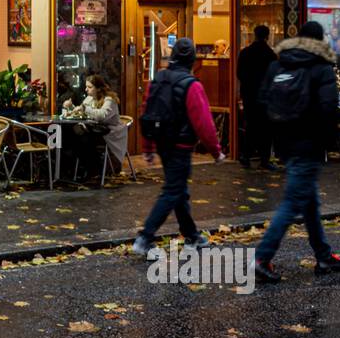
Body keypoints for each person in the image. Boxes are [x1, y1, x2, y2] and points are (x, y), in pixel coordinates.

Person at [254, 21, 340, 283]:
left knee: (309, 201)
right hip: (310, 144)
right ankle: (261, 257)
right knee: (294, 201)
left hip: (285, 143)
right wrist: (328, 144)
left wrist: (274, 137)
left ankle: (324, 255)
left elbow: (263, 102)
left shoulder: (278, 64)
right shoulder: (322, 67)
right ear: (320, 40)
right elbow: (329, 108)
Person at [133, 38, 225, 255]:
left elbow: (147, 112)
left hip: (163, 143)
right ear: (192, 60)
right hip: (181, 145)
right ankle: (145, 237)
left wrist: (148, 147)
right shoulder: (191, 84)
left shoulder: (158, 79)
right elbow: (203, 121)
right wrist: (216, 150)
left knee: (178, 190)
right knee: (173, 190)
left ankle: (192, 235)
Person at [60, 74, 127, 180]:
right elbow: (80, 110)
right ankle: (81, 169)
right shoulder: (89, 98)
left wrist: (84, 109)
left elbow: (101, 116)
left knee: (82, 140)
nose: (86, 89)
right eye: (86, 86)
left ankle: (92, 169)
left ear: (99, 88)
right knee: (71, 136)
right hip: (95, 131)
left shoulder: (109, 100)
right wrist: (70, 107)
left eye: (90, 87)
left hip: (110, 134)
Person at [236, 24, 278, 170]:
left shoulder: (245, 53)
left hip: (249, 95)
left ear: (254, 35)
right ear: (267, 37)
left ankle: (246, 156)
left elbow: (239, 74)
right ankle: (265, 159)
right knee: (266, 128)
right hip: (266, 96)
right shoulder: (271, 55)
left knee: (251, 125)